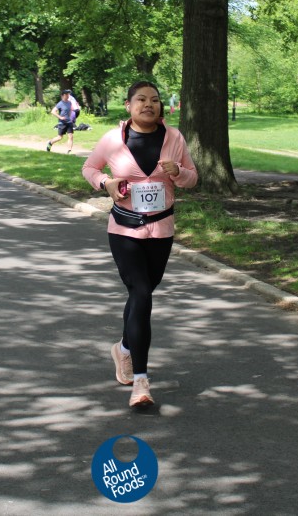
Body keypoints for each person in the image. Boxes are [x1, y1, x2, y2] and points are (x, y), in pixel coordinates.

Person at [81, 80, 198, 408]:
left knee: (141, 295)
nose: (149, 105)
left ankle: (123, 349)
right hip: (124, 229)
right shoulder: (113, 139)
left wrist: (178, 172)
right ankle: (141, 383)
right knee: (142, 292)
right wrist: (106, 182)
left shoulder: (174, 138)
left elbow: (193, 178)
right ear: (129, 105)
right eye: (141, 100)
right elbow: (89, 167)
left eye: (155, 100)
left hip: (161, 229)